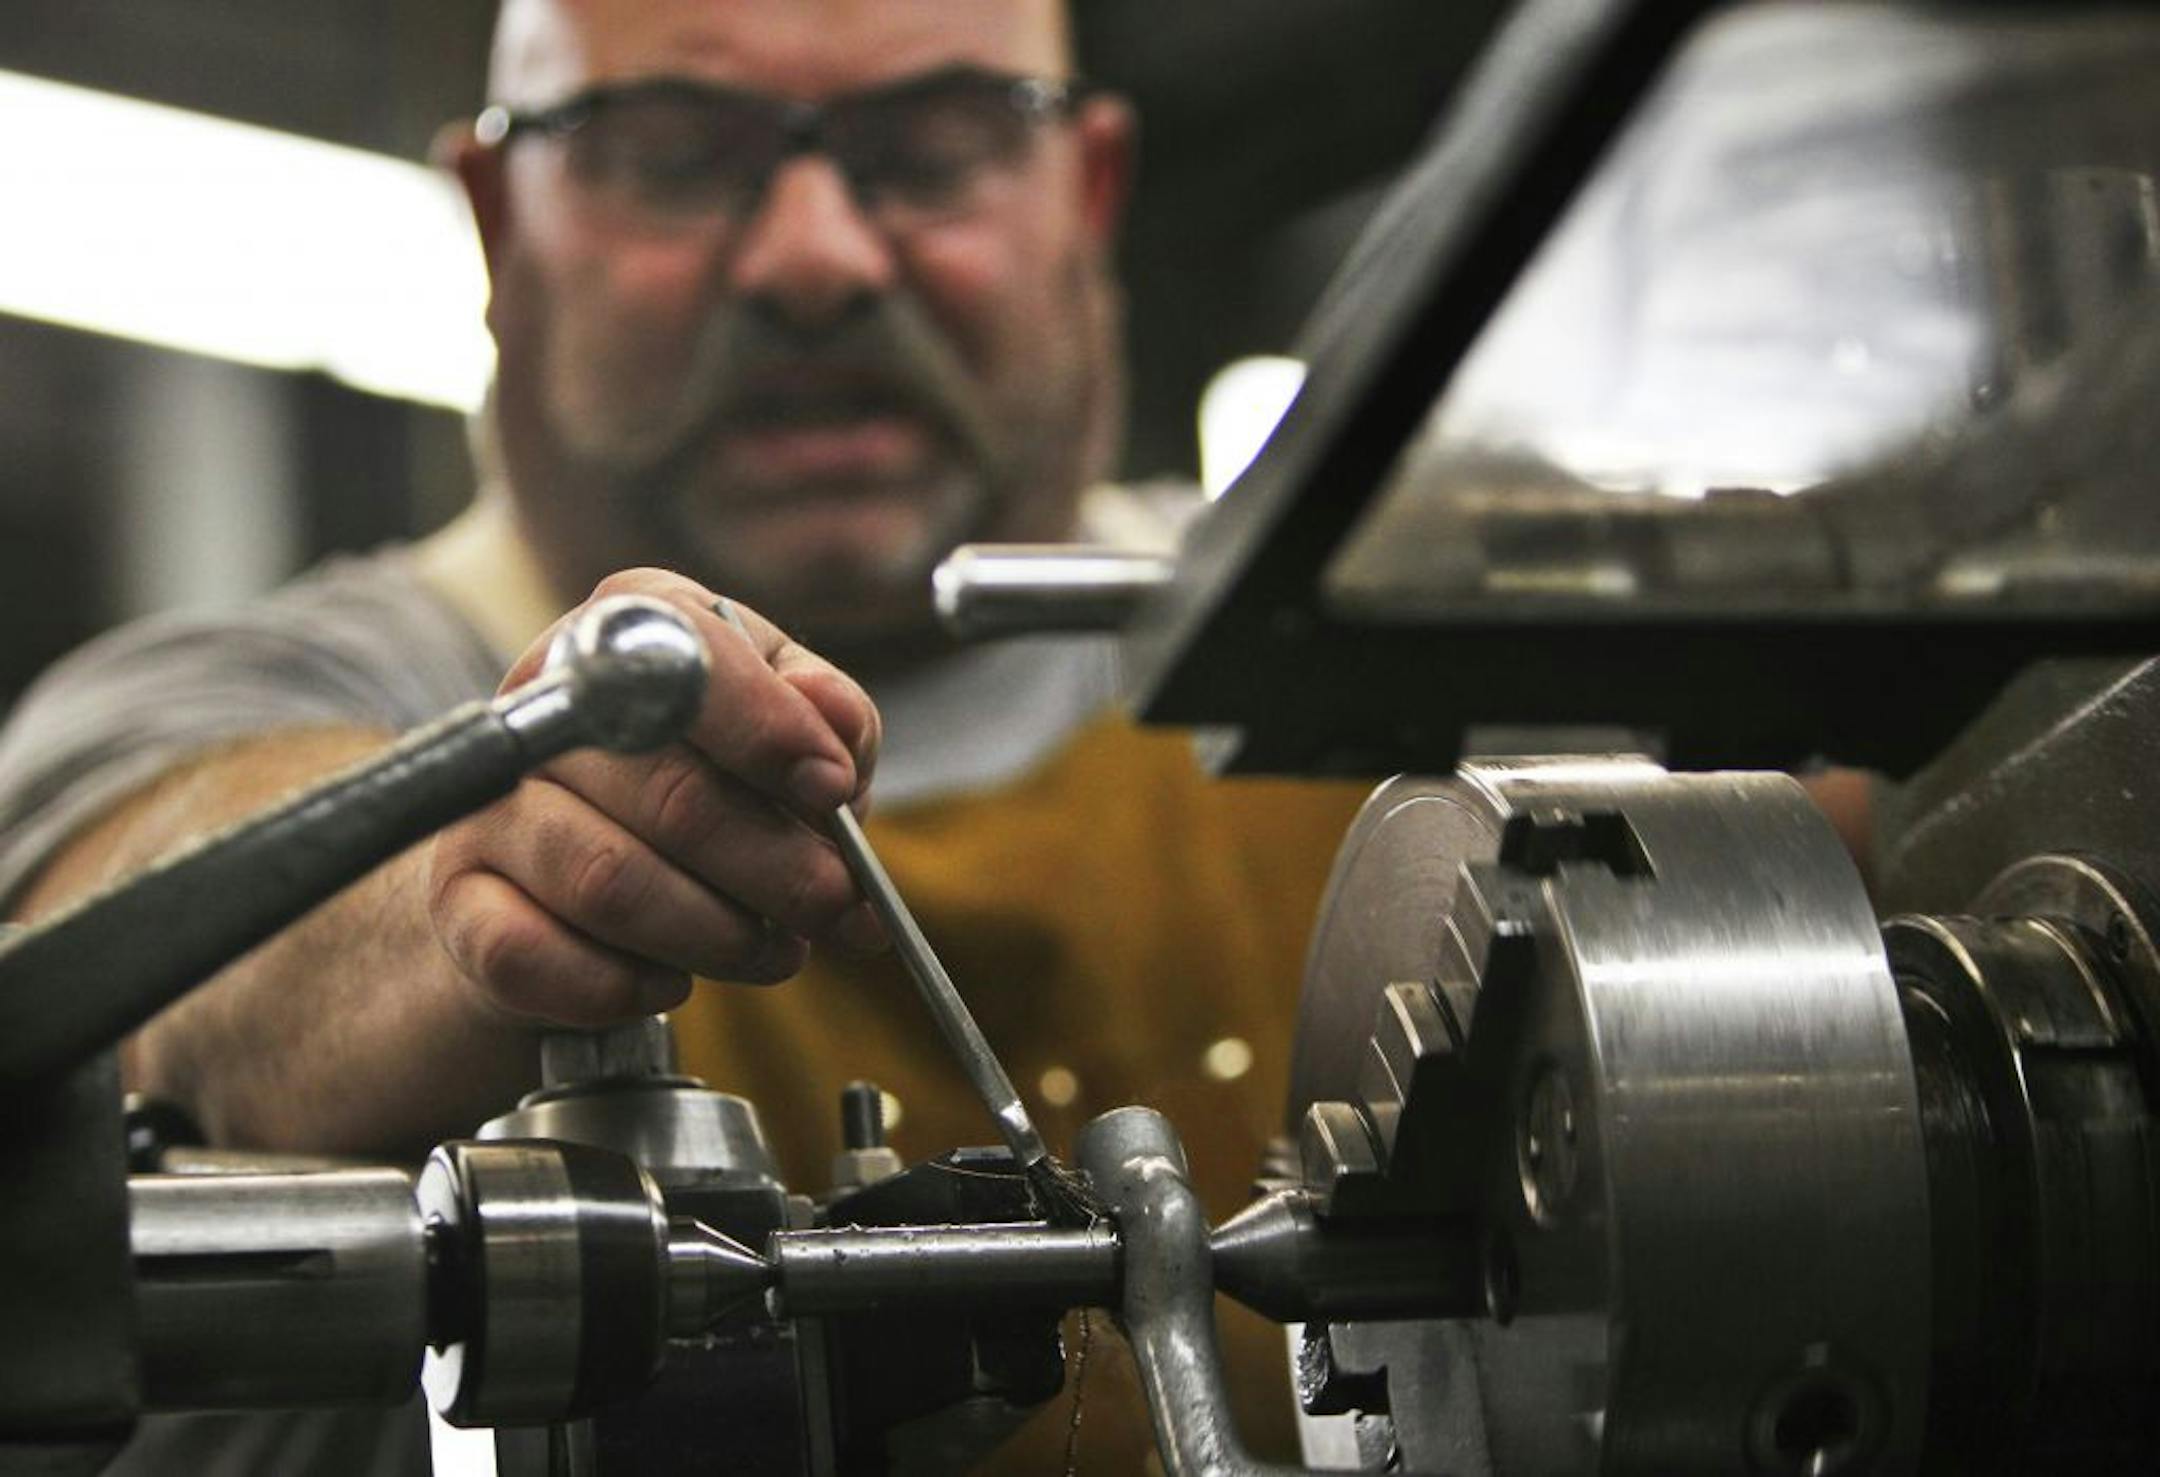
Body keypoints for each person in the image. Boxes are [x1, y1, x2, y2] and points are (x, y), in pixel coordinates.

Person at [0, 0, 1365, 1470]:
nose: (815, 261)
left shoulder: (1385, 675)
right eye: (671, 156)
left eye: (932, 147)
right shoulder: (252, 690)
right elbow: (127, 958)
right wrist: (456, 873)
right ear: (500, 223)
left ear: (1087, 193)